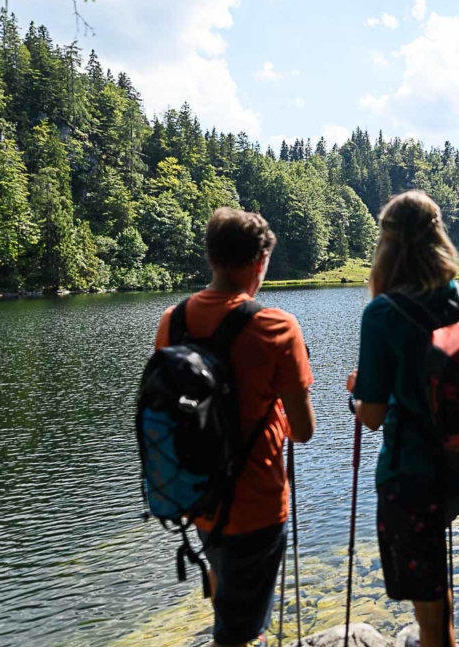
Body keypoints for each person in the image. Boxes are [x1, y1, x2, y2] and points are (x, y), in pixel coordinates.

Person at [154, 207, 316, 647]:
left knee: (227, 589)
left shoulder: (174, 321)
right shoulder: (277, 326)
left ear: (210, 256)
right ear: (259, 262)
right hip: (257, 501)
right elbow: (303, 431)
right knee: (240, 631)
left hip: (198, 494)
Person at [347, 191, 459, 647]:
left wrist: (356, 396)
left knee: (428, 604)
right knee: (437, 594)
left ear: (386, 245)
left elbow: (370, 417)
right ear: (438, 236)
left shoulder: (383, 313)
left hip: (410, 475)